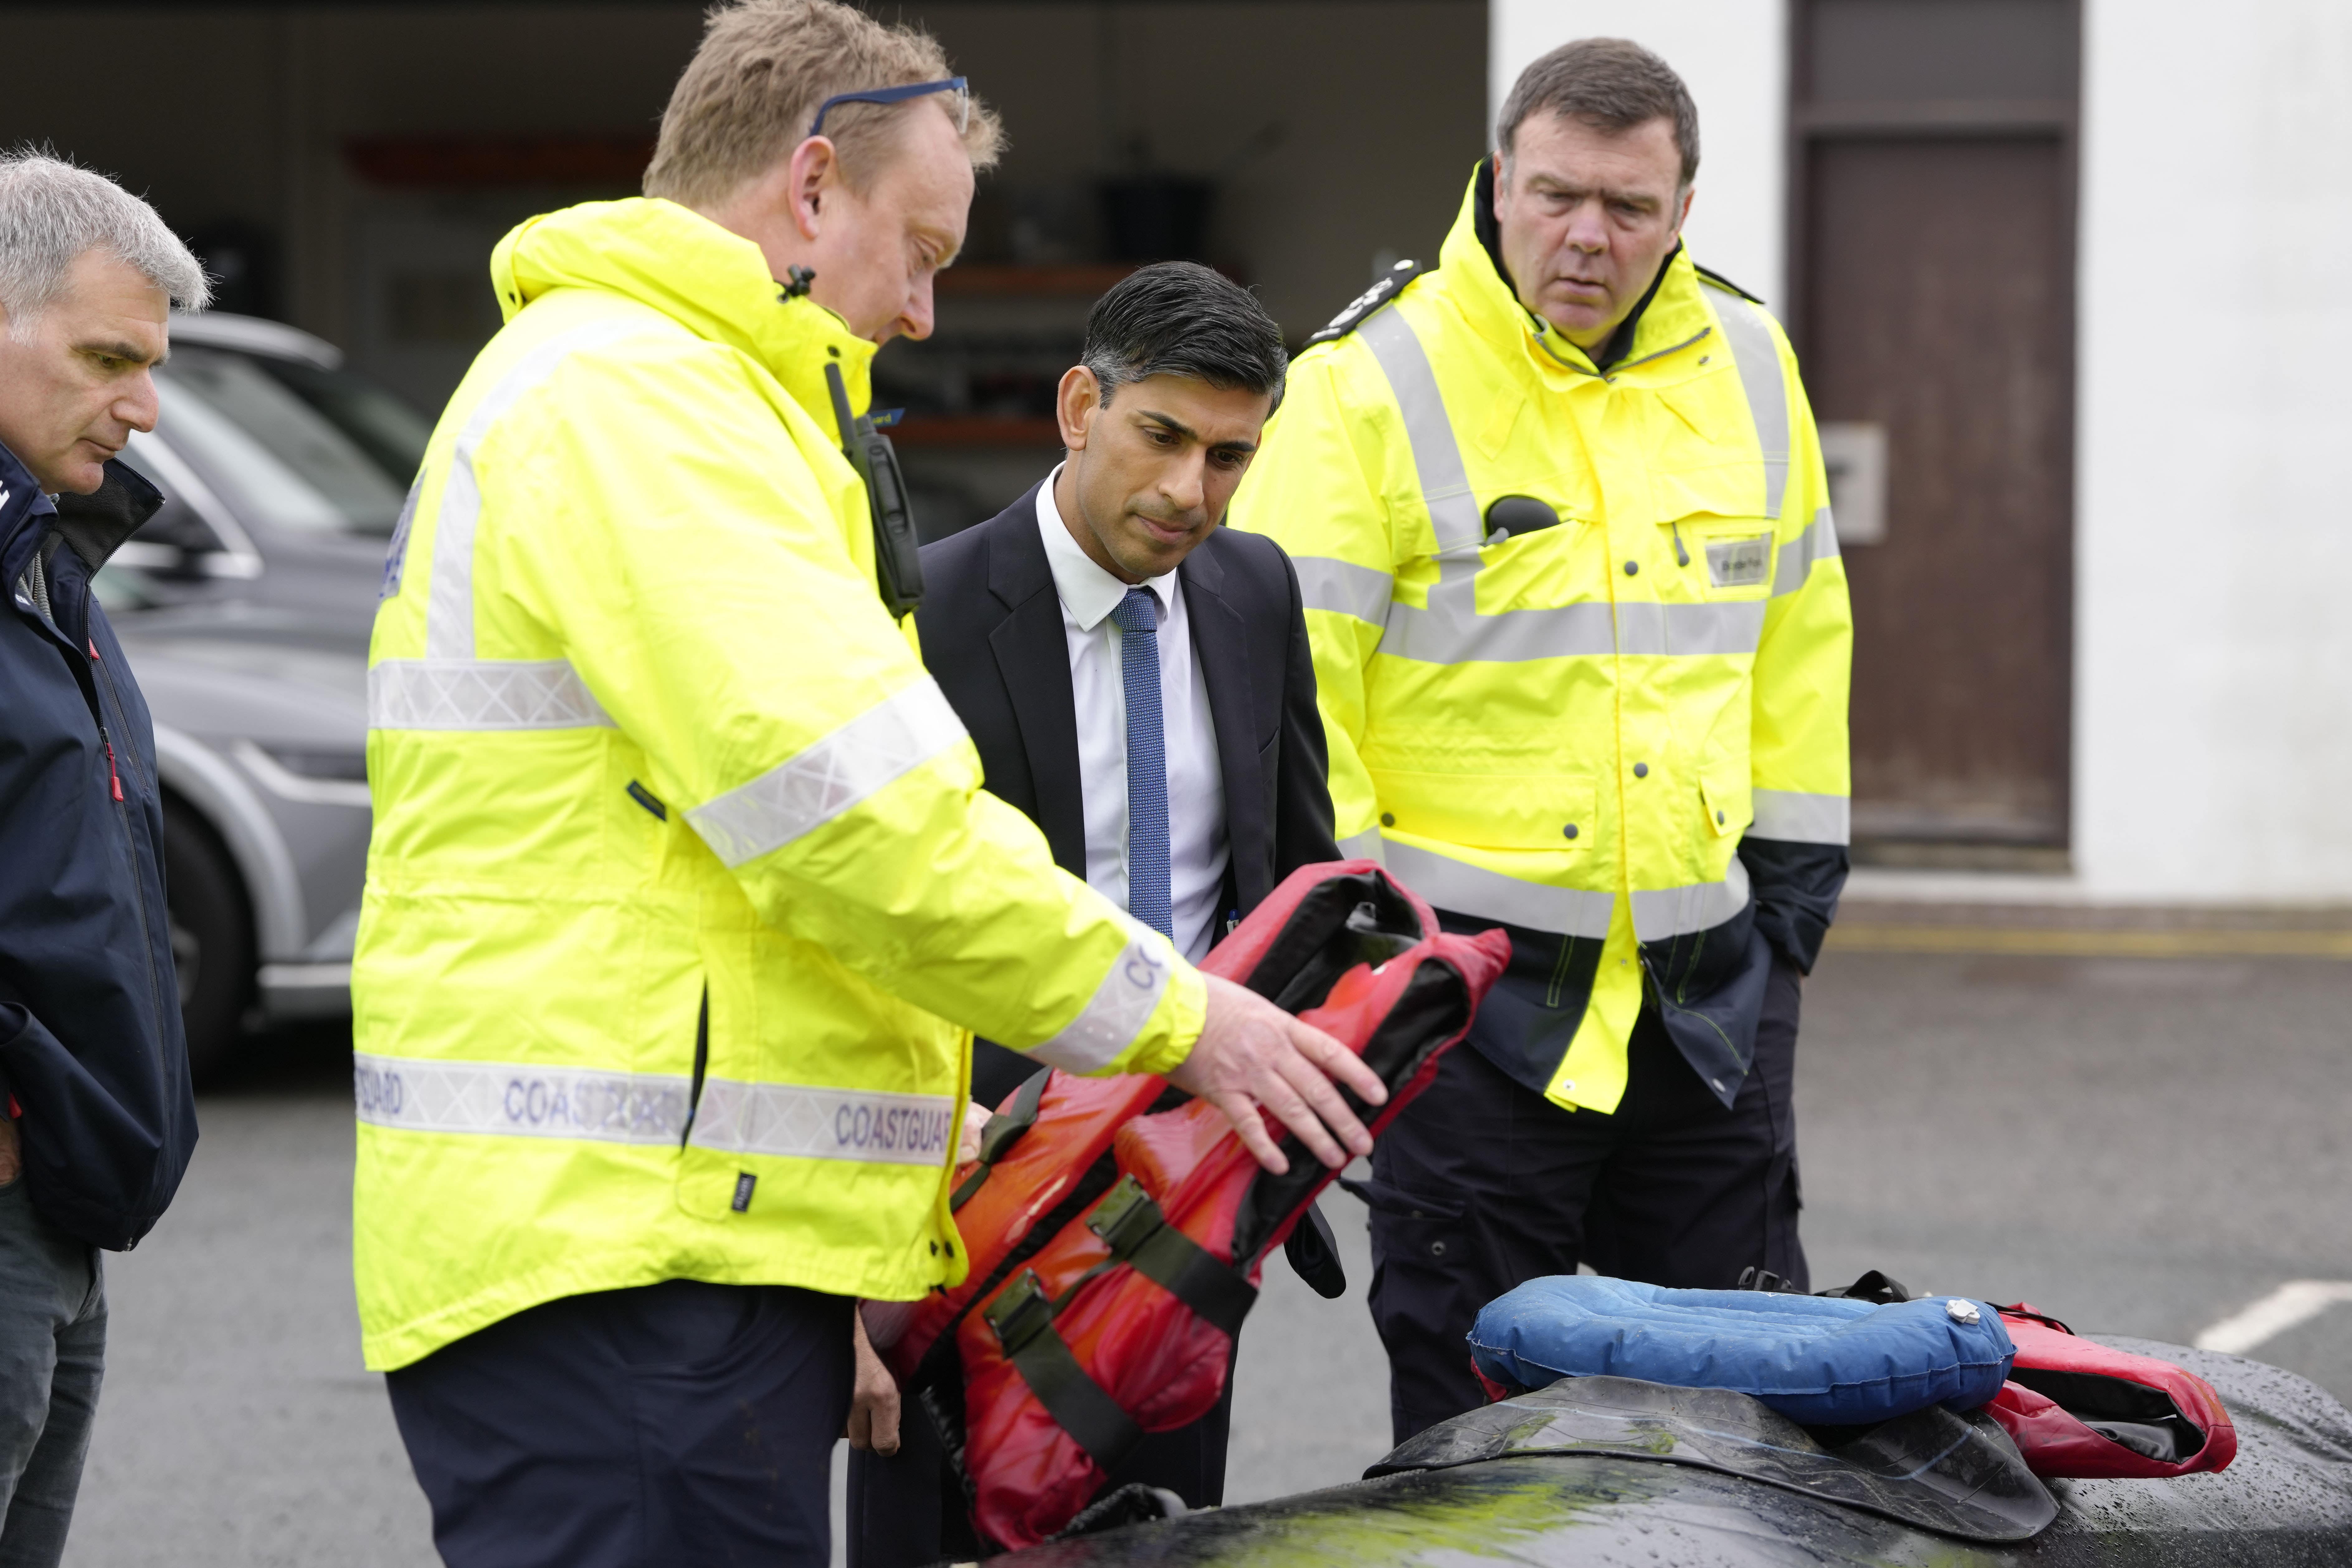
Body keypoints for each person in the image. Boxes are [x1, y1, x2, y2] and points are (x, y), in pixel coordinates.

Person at [350, 4, 1384, 1564]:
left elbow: (744, 865)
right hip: (633, 1264)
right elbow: (862, 826)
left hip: (660, 1245)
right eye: (919, 249)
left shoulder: (656, 391)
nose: (917, 310)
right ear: (813, 184)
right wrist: (1188, 1015)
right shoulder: (650, 403)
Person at [1228, 37, 1853, 1444]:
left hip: (1707, 1012)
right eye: (1556, 194)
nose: (1587, 237)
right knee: (1482, 1436)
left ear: (1682, 209)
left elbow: (1800, 641)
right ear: (1497, 180)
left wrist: (1793, 910)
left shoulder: (1753, 363)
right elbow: (1293, 689)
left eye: (1628, 210)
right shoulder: (1365, 381)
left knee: (1752, 1427)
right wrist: (1374, 959)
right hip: (1470, 1015)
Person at [845, 262, 1340, 1563]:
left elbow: (1294, 879)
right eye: (1161, 436)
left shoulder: (1255, 594)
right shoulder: (914, 609)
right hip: (967, 1194)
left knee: (1161, 1537)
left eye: (1230, 456)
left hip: (1183, 1197)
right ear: (1079, 405)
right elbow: (857, 929)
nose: (1191, 490)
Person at [0, 153, 208, 1566]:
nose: (143, 405)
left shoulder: (47, 565)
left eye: (152, 364)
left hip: (62, 1218)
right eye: (107, 357)